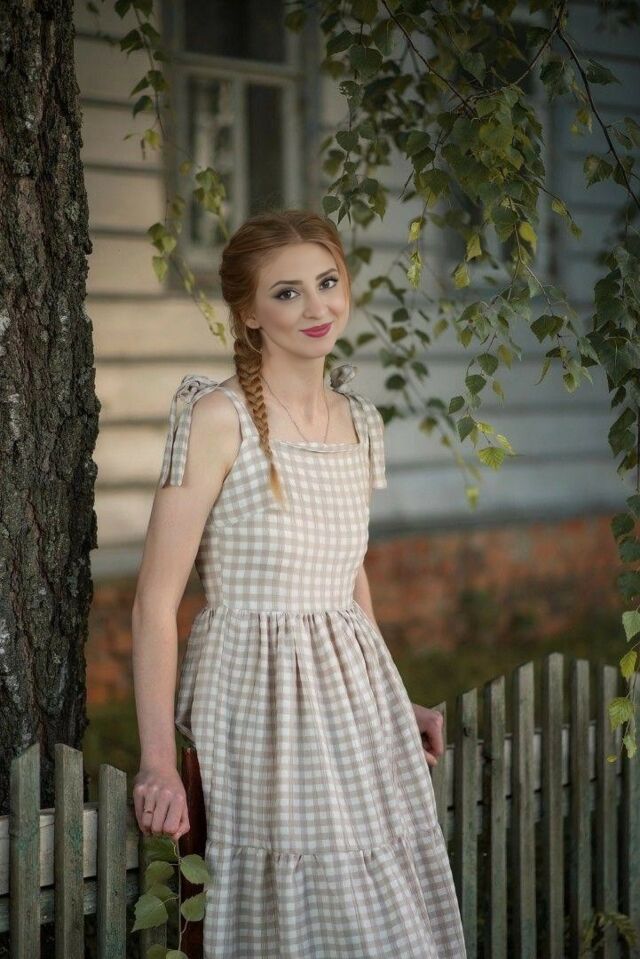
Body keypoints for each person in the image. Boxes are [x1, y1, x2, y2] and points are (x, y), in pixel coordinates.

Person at [131, 209, 467, 957]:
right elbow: (154, 602)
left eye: (327, 282)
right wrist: (156, 759)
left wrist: (394, 697)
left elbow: (348, 575)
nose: (317, 307)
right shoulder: (216, 418)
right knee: (298, 908)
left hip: (352, 697)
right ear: (249, 313)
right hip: (259, 694)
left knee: (378, 908)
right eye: (287, 293)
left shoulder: (360, 420)